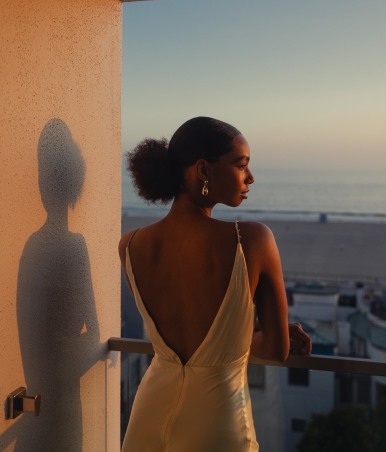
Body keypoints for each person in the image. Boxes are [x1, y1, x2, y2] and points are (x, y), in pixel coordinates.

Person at [118, 116, 311, 451]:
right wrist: (265, 332)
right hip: (218, 421)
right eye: (241, 165)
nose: (250, 177)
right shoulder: (252, 240)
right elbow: (277, 350)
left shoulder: (131, 245)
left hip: (149, 413)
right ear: (204, 171)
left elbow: (182, 336)